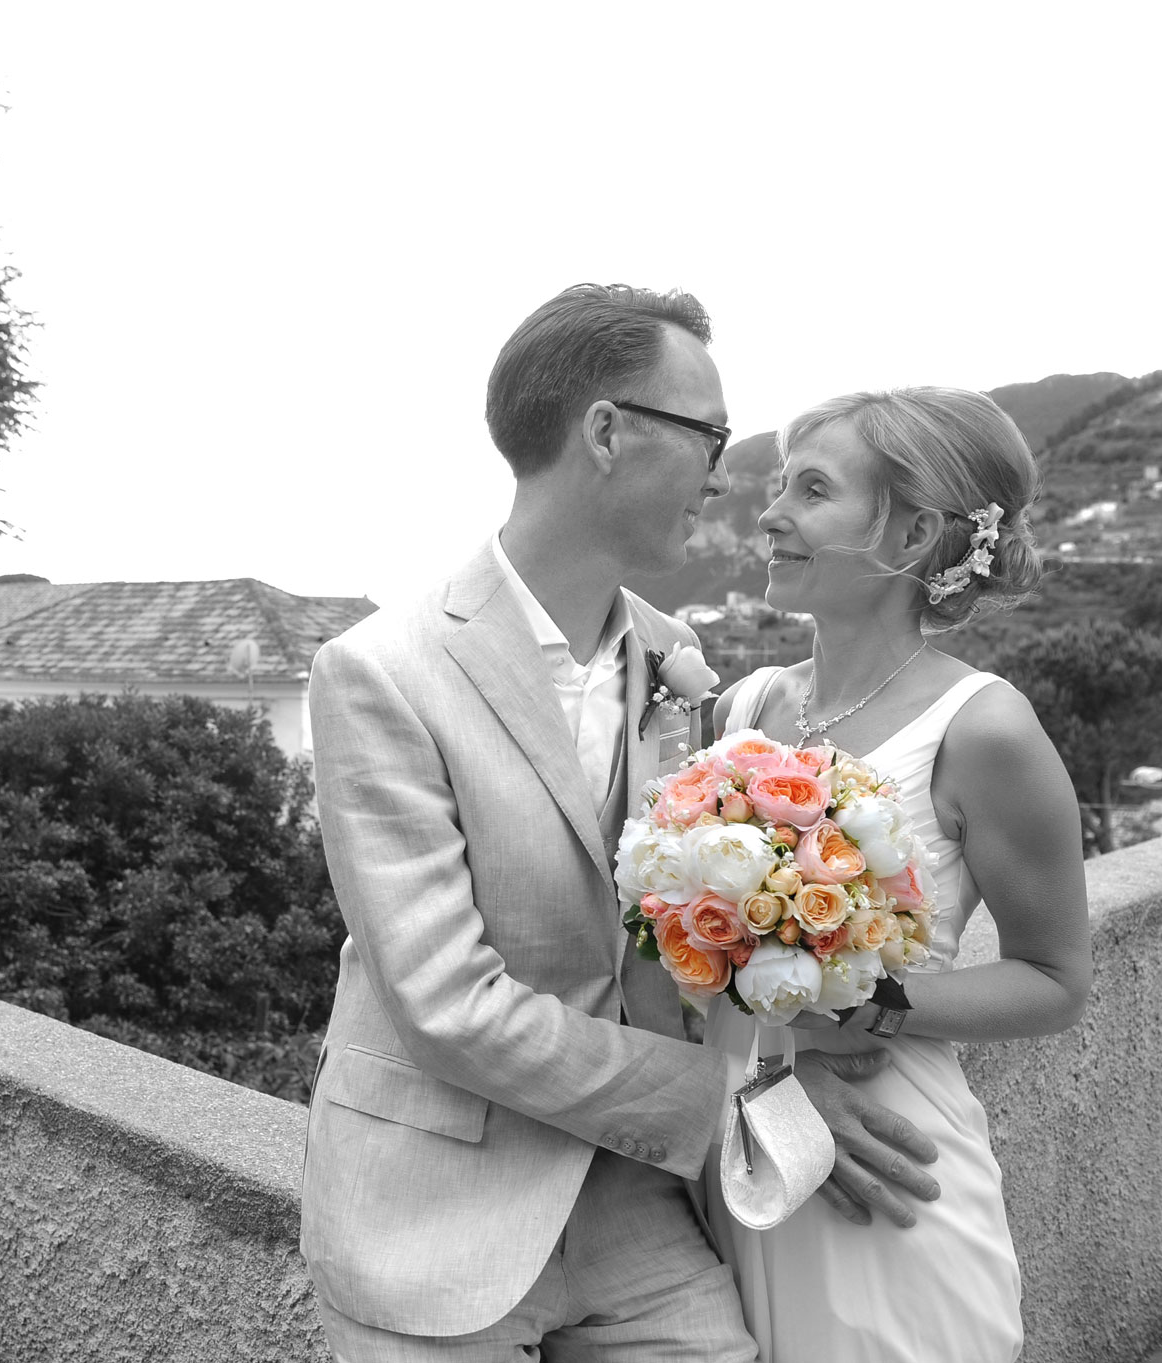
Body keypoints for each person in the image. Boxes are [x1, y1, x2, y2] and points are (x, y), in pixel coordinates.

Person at [299, 284, 941, 1362]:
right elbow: (447, 1005)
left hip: (636, 1203)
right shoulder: (380, 672)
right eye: (710, 438)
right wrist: (740, 1099)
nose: (724, 476)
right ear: (604, 431)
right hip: (434, 1214)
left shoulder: (673, 656)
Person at [705, 386, 1093, 1362]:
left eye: (811, 490)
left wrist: (870, 1005)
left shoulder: (984, 727)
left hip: (885, 1154)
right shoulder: (745, 706)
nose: (769, 514)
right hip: (744, 1139)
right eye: (777, 486)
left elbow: (1054, 980)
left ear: (912, 533)